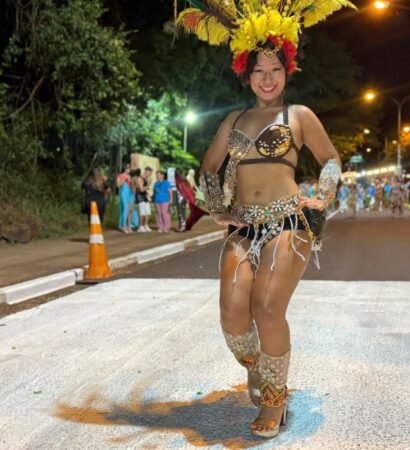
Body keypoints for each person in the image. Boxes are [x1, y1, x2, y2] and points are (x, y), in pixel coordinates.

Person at [177, 0, 351, 438]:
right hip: (244, 226)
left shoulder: (299, 116)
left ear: (287, 71)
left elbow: (330, 159)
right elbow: (208, 167)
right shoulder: (235, 119)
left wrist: (322, 195)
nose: (268, 78)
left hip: (289, 222)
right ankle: (259, 366)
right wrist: (218, 208)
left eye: (275, 69)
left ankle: (276, 399)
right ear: (247, 74)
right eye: (259, 71)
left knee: (268, 307)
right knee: (233, 317)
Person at [116, 165, 137, 233]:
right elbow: (118, 185)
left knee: (131, 210)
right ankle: (123, 226)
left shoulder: (130, 176)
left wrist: (134, 195)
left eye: (129, 168)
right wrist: (124, 179)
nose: (129, 170)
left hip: (130, 194)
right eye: (128, 168)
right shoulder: (120, 176)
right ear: (125, 169)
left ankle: (129, 226)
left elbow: (133, 187)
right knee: (125, 209)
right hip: (124, 193)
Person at [134, 167, 153, 232]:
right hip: (139, 196)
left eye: (151, 173)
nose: (150, 174)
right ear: (146, 171)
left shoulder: (146, 179)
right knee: (142, 212)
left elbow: (144, 190)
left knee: (148, 211)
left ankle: (146, 225)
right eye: (149, 173)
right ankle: (140, 226)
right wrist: (148, 185)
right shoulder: (140, 178)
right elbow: (141, 189)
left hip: (144, 196)